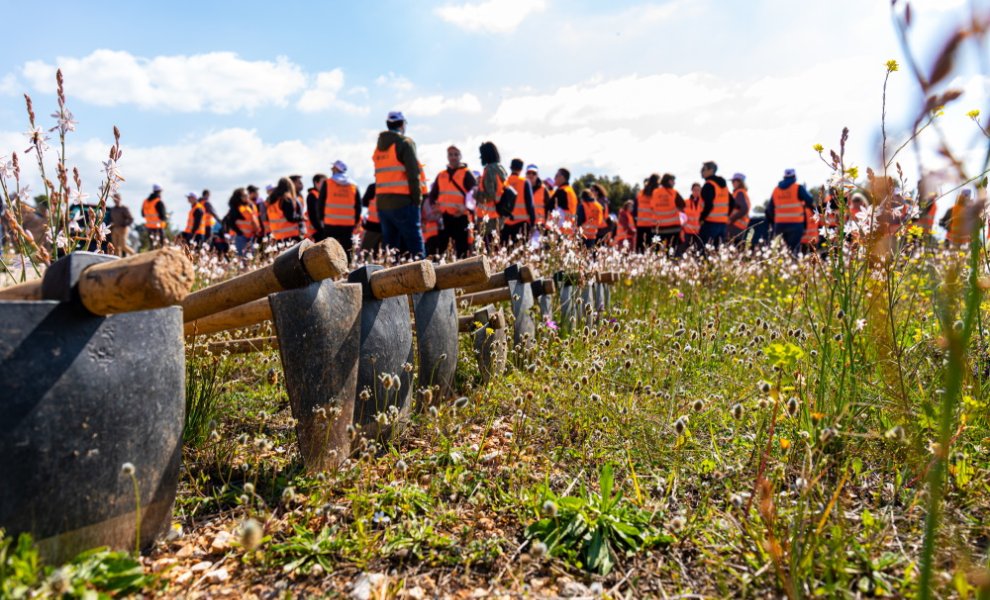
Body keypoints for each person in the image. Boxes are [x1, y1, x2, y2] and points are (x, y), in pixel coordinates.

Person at [372, 111, 425, 258]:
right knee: (415, 246)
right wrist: (417, 200)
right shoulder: (405, 143)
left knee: (391, 249)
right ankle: (424, 279)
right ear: (402, 124)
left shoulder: (378, 148)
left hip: (383, 205)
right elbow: (413, 175)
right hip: (404, 203)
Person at [429, 145, 477, 258]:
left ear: (460, 156)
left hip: (460, 217)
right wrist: (434, 206)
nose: (453, 157)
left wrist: (466, 208)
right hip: (445, 218)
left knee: (462, 250)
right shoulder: (441, 175)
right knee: (441, 250)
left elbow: (475, 194)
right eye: (450, 154)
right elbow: (432, 195)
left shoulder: (466, 173)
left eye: (456, 154)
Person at [766, 168, 815, 255]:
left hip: (779, 225)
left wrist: (776, 220)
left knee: (779, 251)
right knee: (794, 250)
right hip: (795, 224)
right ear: (794, 177)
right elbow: (810, 200)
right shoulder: (798, 188)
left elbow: (769, 209)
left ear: (784, 177)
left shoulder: (776, 190)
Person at [317, 160, 362, 255]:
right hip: (348, 224)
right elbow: (358, 206)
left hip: (330, 223)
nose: (331, 169)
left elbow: (321, 203)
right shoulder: (353, 185)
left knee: (328, 251)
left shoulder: (328, 183)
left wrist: (321, 218)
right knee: (346, 250)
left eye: (333, 167)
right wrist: (356, 221)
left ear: (336, 169)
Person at [475, 141, 506, 248]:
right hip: (497, 215)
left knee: (489, 249)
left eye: (482, 154)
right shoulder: (500, 168)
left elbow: (489, 195)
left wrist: (476, 193)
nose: (480, 157)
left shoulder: (490, 170)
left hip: (489, 218)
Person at [500, 158, 536, 245]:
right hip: (522, 224)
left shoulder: (505, 182)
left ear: (510, 167)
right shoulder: (524, 182)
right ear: (521, 169)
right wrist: (533, 223)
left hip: (506, 224)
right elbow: (530, 205)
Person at [699, 161, 730, 248]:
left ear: (711, 170)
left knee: (704, 251)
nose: (701, 171)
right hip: (722, 224)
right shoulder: (723, 186)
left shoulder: (709, 185)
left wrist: (701, 218)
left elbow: (709, 205)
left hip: (710, 223)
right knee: (717, 252)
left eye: (704, 169)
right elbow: (732, 202)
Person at [223, 187, 260, 257]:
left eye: (247, 195)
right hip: (239, 237)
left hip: (250, 235)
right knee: (242, 256)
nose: (247, 197)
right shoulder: (235, 209)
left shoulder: (250, 206)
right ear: (239, 197)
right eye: (244, 196)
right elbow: (231, 223)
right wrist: (240, 233)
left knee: (250, 256)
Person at [266, 177, 304, 245]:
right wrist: (301, 218)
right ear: (290, 186)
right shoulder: (286, 199)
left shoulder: (271, 201)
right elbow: (290, 217)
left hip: (278, 237)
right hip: (290, 236)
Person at [654, 173, 684, 251]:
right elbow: (682, 205)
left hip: (658, 227)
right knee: (671, 251)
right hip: (673, 227)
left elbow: (651, 206)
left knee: (658, 251)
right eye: (673, 180)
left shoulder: (655, 192)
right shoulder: (673, 192)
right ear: (669, 181)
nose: (674, 183)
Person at [550, 168, 578, 236]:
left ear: (562, 177)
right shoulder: (571, 191)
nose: (554, 178)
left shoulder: (562, 191)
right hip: (569, 230)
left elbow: (549, 207)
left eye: (556, 176)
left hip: (560, 230)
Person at [635, 175, 658, 251]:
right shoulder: (656, 193)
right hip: (652, 224)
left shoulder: (640, 193)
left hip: (640, 223)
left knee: (640, 247)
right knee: (652, 247)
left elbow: (635, 208)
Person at [360, 183, 384, 255]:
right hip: (390, 228)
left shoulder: (373, 187)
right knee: (385, 255)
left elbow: (364, 202)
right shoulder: (396, 187)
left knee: (365, 254)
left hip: (373, 227)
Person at [680, 182, 703, 255]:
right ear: (692, 191)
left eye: (698, 190)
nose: (696, 192)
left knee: (698, 254)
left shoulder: (704, 203)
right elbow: (681, 218)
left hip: (699, 233)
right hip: (687, 232)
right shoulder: (685, 203)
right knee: (683, 253)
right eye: (695, 190)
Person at [728, 173, 751, 245]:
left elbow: (744, 209)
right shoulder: (740, 193)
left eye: (735, 181)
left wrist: (731, 219)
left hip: (736, 227)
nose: (733, 183)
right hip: (738, 227)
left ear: (741, 182)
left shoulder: (740, 193)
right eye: (732, 181)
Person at [526, 165, 548, 230]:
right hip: (525, 224)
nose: (531, 175)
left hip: (539, 226)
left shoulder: (543, 189)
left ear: (537, 175)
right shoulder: (521, 188)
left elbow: (549, 208)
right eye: (529, 173)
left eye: (534, 173)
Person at [307, 173, 327, 238]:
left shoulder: (320, 195)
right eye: (323, 182)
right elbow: (313, 215)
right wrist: (321, 229)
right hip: (317, 230)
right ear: (316, 183)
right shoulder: (312, 195)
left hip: (321, 229)